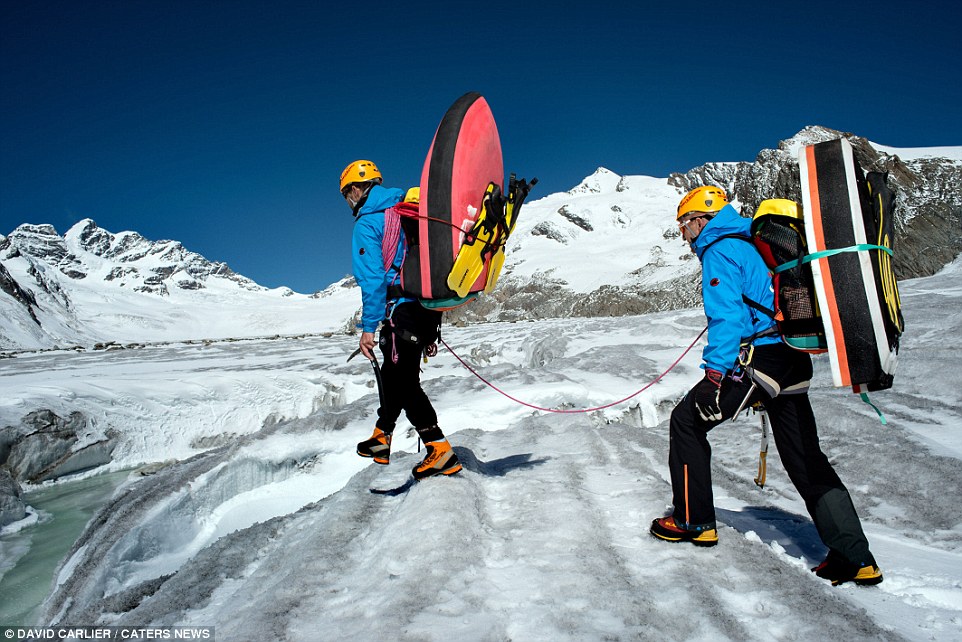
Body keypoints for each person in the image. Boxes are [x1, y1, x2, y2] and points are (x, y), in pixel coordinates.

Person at [649, 185, 883, 587]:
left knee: (687, 421)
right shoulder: (753, 241)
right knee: (806, 458)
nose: (683, 236)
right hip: (792, 359)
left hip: (759, 360)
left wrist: (714, 376)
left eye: (683, 226)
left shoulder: (720, 250)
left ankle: (693, 520)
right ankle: (855, 557)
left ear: (699, 220)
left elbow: (729, 320)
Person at [340, 160, 462, 480]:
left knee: (405, 382)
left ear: (356, 188)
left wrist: (368, 328)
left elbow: (373, 280)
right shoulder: (408, 209)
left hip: (401, 311)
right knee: (396, 375)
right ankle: (382, 436)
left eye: (346, 194)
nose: (348, 201)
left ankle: (439, 449)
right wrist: (432, 327)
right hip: (424, 309)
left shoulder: (369, 223)